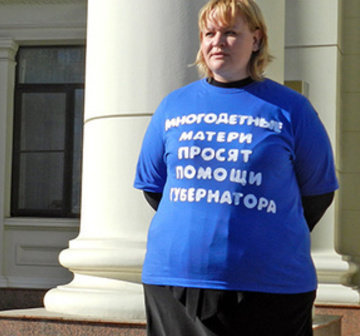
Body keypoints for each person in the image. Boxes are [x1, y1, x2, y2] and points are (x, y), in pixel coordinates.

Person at [133, 1, 338, 335]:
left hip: (270, 287)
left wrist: (263, 231)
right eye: (210, 33)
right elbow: (155, 188)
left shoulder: (292, 109)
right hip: (175, 281)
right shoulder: (173, 106)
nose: (217, 41)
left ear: (255, 40)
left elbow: (318, 193)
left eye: (230, 33)